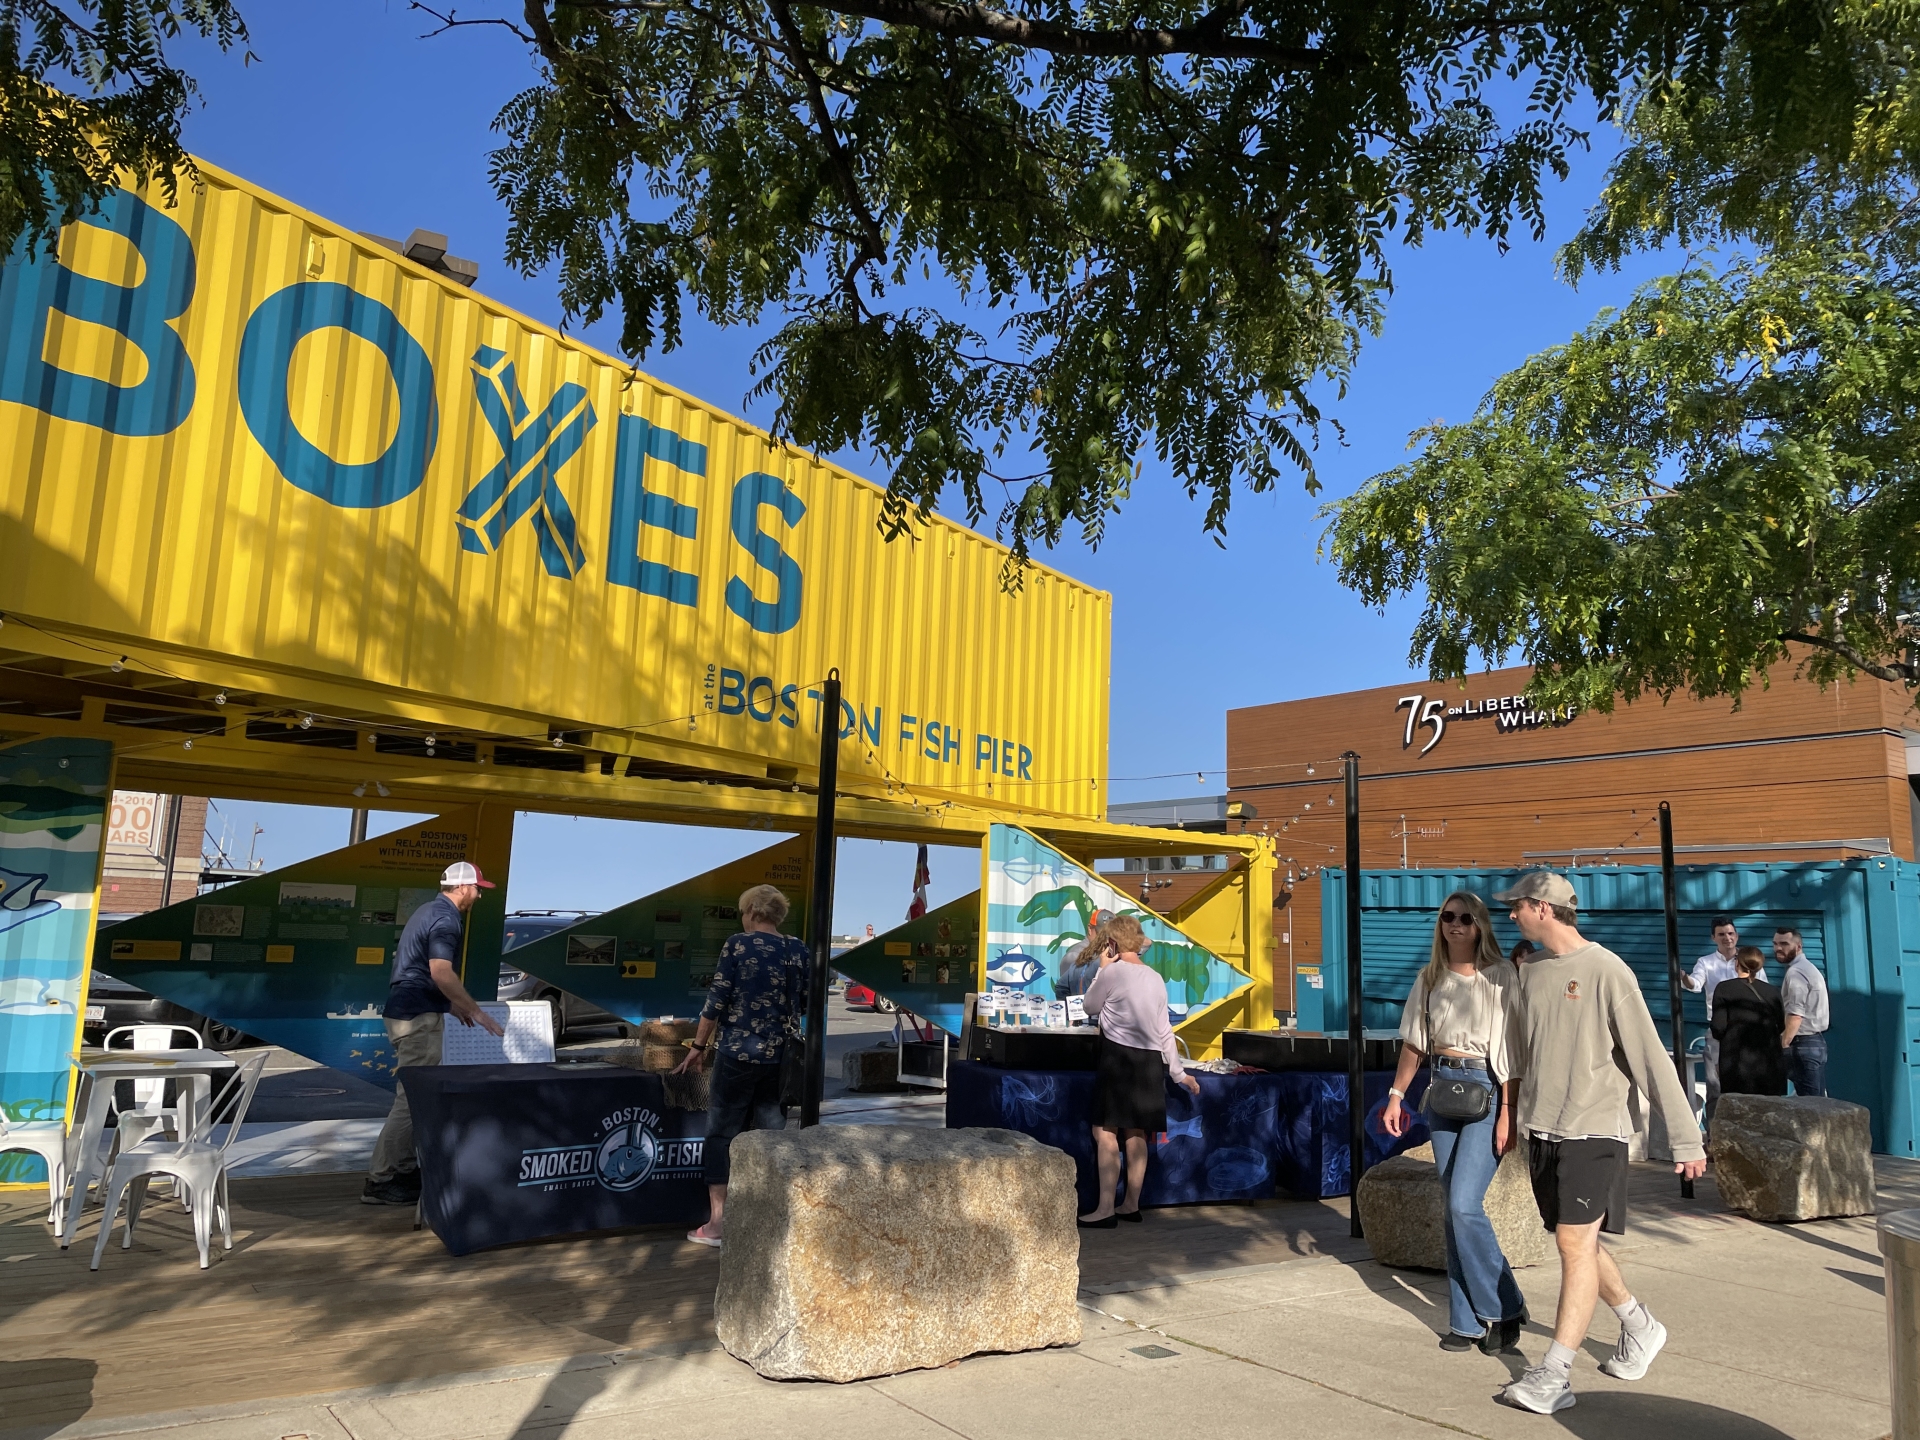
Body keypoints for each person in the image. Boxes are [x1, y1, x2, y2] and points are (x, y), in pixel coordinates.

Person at [1495, 869, 1706, 1416]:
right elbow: (1522, 1052)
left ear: (1543, 907)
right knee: (1581, 1243)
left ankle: (1554, 1375)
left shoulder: (1608, 970)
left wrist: (1686, 1139)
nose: (1510, 914)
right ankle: (1641, 1325)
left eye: (1516, 905)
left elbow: (1649, 1058)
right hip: (1543, 1130)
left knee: (1572, 1245)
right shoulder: (1533, 970)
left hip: (1595, 1129)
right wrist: (1513, 1115)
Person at [1383, 891, 1528, 1354]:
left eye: (1466, 918)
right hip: (1442, 1091)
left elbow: (1515, 1054)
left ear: (1481, 924)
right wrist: (1395, 1096)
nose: (1456, 925)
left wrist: (1509, 1113)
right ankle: (1465, 1322)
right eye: (1448, 917)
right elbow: (1413, 1044)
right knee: (1451, 1209)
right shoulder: (1429, 978)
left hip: (1487, 1089)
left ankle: (1502, 1307)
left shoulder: (1501, 975)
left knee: (1466, 1205)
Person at [363, 861, 505, 1206]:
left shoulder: (428, 910)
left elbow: (418, 973)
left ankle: (405, 1170)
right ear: (461, 888)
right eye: (477, 889)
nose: (478, 896)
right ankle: (379, 1180)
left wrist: (452, 1007)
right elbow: (441, 973)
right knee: (411, 1100)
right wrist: (475, 1010)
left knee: (416, 1097)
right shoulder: (447, 919)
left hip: (408, 1010)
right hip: (416, 1019)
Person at [676, 884, 809, 1248]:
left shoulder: (737, 944)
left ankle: (718, 1224)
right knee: (771, 1135)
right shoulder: (797, 949)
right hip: (780, 1058)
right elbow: (805, 1001)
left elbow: (716, 1000)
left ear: (751, 911)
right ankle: (770, 1219)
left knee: (721, 1134)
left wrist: (698, 1046)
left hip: (738, 1053)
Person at [1077, 914, 1200, 1227]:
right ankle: (1131, 1203)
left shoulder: (1113, 972)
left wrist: (1101, 970)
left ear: (1113, 942)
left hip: (1118, 1058)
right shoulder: (1155, 978)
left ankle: (1105, 1208)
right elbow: (1165, 1031)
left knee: (1105, 1131)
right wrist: (1178, 1073)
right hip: (1149, 1063)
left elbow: (1089, 1007)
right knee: (1136, 1133)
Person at [1683, 916, 1764, 1126]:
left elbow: (1763, 991)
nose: (1727, 938)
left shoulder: (1749, 960)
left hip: (1746, 1031)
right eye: (1722, 934)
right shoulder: (1706, 963)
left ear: (1736, 935)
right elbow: (1695, 984)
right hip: (1719, 1031)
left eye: (1730, 933)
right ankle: (1714, 1137)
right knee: (1715, 1085)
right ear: (1713, 938)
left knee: (1747, 1083)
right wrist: (1683, 978)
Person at [1709, 946, 1786, 1102]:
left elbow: (1718, 1027)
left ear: (1737, 963)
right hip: (1769, 1062)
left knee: (1739, 1111)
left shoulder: (1724, 988)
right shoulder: (1773, 991)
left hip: (1736, 1061)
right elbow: (1781, 1025)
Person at [1775, 927, 1830, 1097]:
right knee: (1817, 1102)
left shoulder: (1796, 972)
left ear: (1798, 946)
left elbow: (1796, 1014)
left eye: (1784, 944)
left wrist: (1784, 1044)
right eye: (1775, 944)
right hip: (1814, 1042)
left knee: (1810, 1107)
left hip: (1802, 1043)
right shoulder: (1808, 968)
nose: (1778, 948)